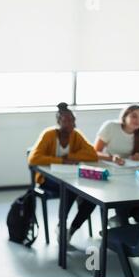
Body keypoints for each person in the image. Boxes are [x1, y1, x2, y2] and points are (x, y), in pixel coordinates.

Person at [28, 102, 98, 243]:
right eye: (66, 120)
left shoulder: (76, 135)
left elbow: (93, 155)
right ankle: (61, 226)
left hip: (69, 177)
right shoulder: (49, 135)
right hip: (47, 180)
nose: (70, 123)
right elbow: (33, 158)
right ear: (58, 121)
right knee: (70, 189)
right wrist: (61, 161)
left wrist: (72, 156)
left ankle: (72, 229)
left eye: (72, 120)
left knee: (92, 198)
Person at [94, 104, 139, 226]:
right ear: (124, 117)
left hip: (132, 173)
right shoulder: (111, 126)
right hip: (112, 172)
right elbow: (95, 152)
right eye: (134, 116)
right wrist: (112, 158)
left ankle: (122, 221)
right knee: (122, 194)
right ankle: (121, 223)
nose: (138, 120)